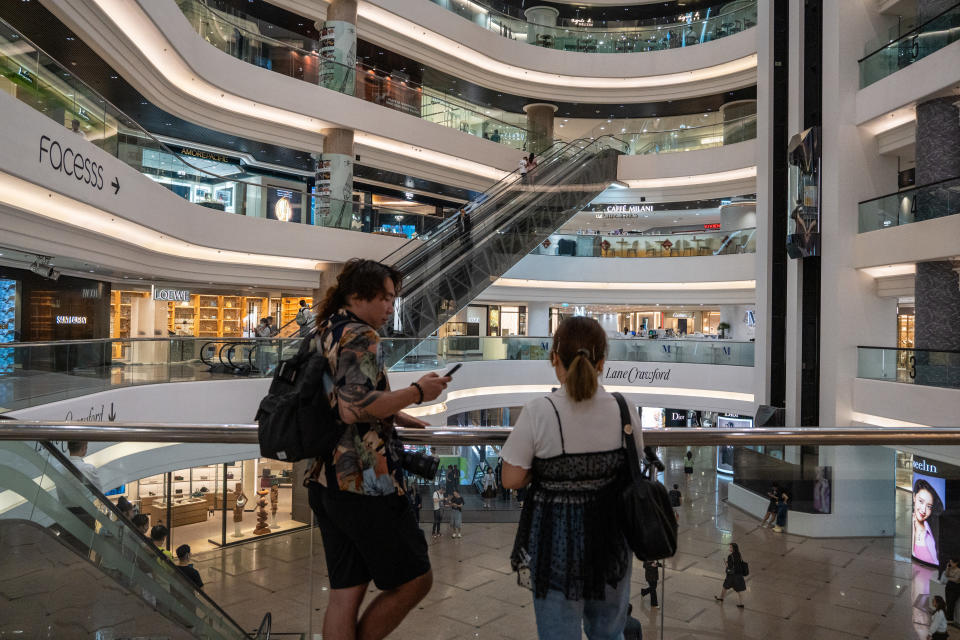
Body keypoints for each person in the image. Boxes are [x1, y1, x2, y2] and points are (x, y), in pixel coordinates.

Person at [303, 258, 450, 640]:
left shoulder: (325, 330)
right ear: (357, 294)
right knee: (416, 580)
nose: (389, 307)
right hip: (365, 482)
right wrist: (418, 392)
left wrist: (396, 414)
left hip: (325, 478)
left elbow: (341, 399)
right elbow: (354, 408)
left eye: (392, 298)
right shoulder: (361, 335)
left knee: (344, 594)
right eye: (384, 298)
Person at [500, 316, 643, 639]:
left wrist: (548, 469)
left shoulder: (540, 411)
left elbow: (511, 478)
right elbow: (632, 464)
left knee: (559, 633)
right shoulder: (625, 408)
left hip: (556, 538)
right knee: (609, 631)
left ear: (554, 359)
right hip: (612, 535)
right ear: (603, 362)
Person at [913, 478, 943, 565]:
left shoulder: (933, 530)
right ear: (914, 497)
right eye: (921, 501)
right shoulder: (911, 526)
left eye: (929, 506)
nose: (923, 510)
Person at [715, 543, 746, 608]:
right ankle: (741, 603)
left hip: (732, 576)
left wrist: (726, 564)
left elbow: (730, 567)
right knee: (739, 590)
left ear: (733, 548)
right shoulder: (739, 554)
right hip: (739, 575)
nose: (730, 548)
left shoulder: (730, 556)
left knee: (725, 586)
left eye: (730, 547)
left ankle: (721, 598)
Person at [942, 558, 960, 623]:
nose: (950, 563)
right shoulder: (950, 568)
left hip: (956, 588)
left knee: (951, 603)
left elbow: (956, 579)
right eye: (950, 562)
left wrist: (949, 578)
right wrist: (947, 568)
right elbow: (946, 575)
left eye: (952, 562)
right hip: (949, 586)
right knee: (947, 601)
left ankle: (950, 619)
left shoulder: (958, 570)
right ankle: (948, 617)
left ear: (956, 563)